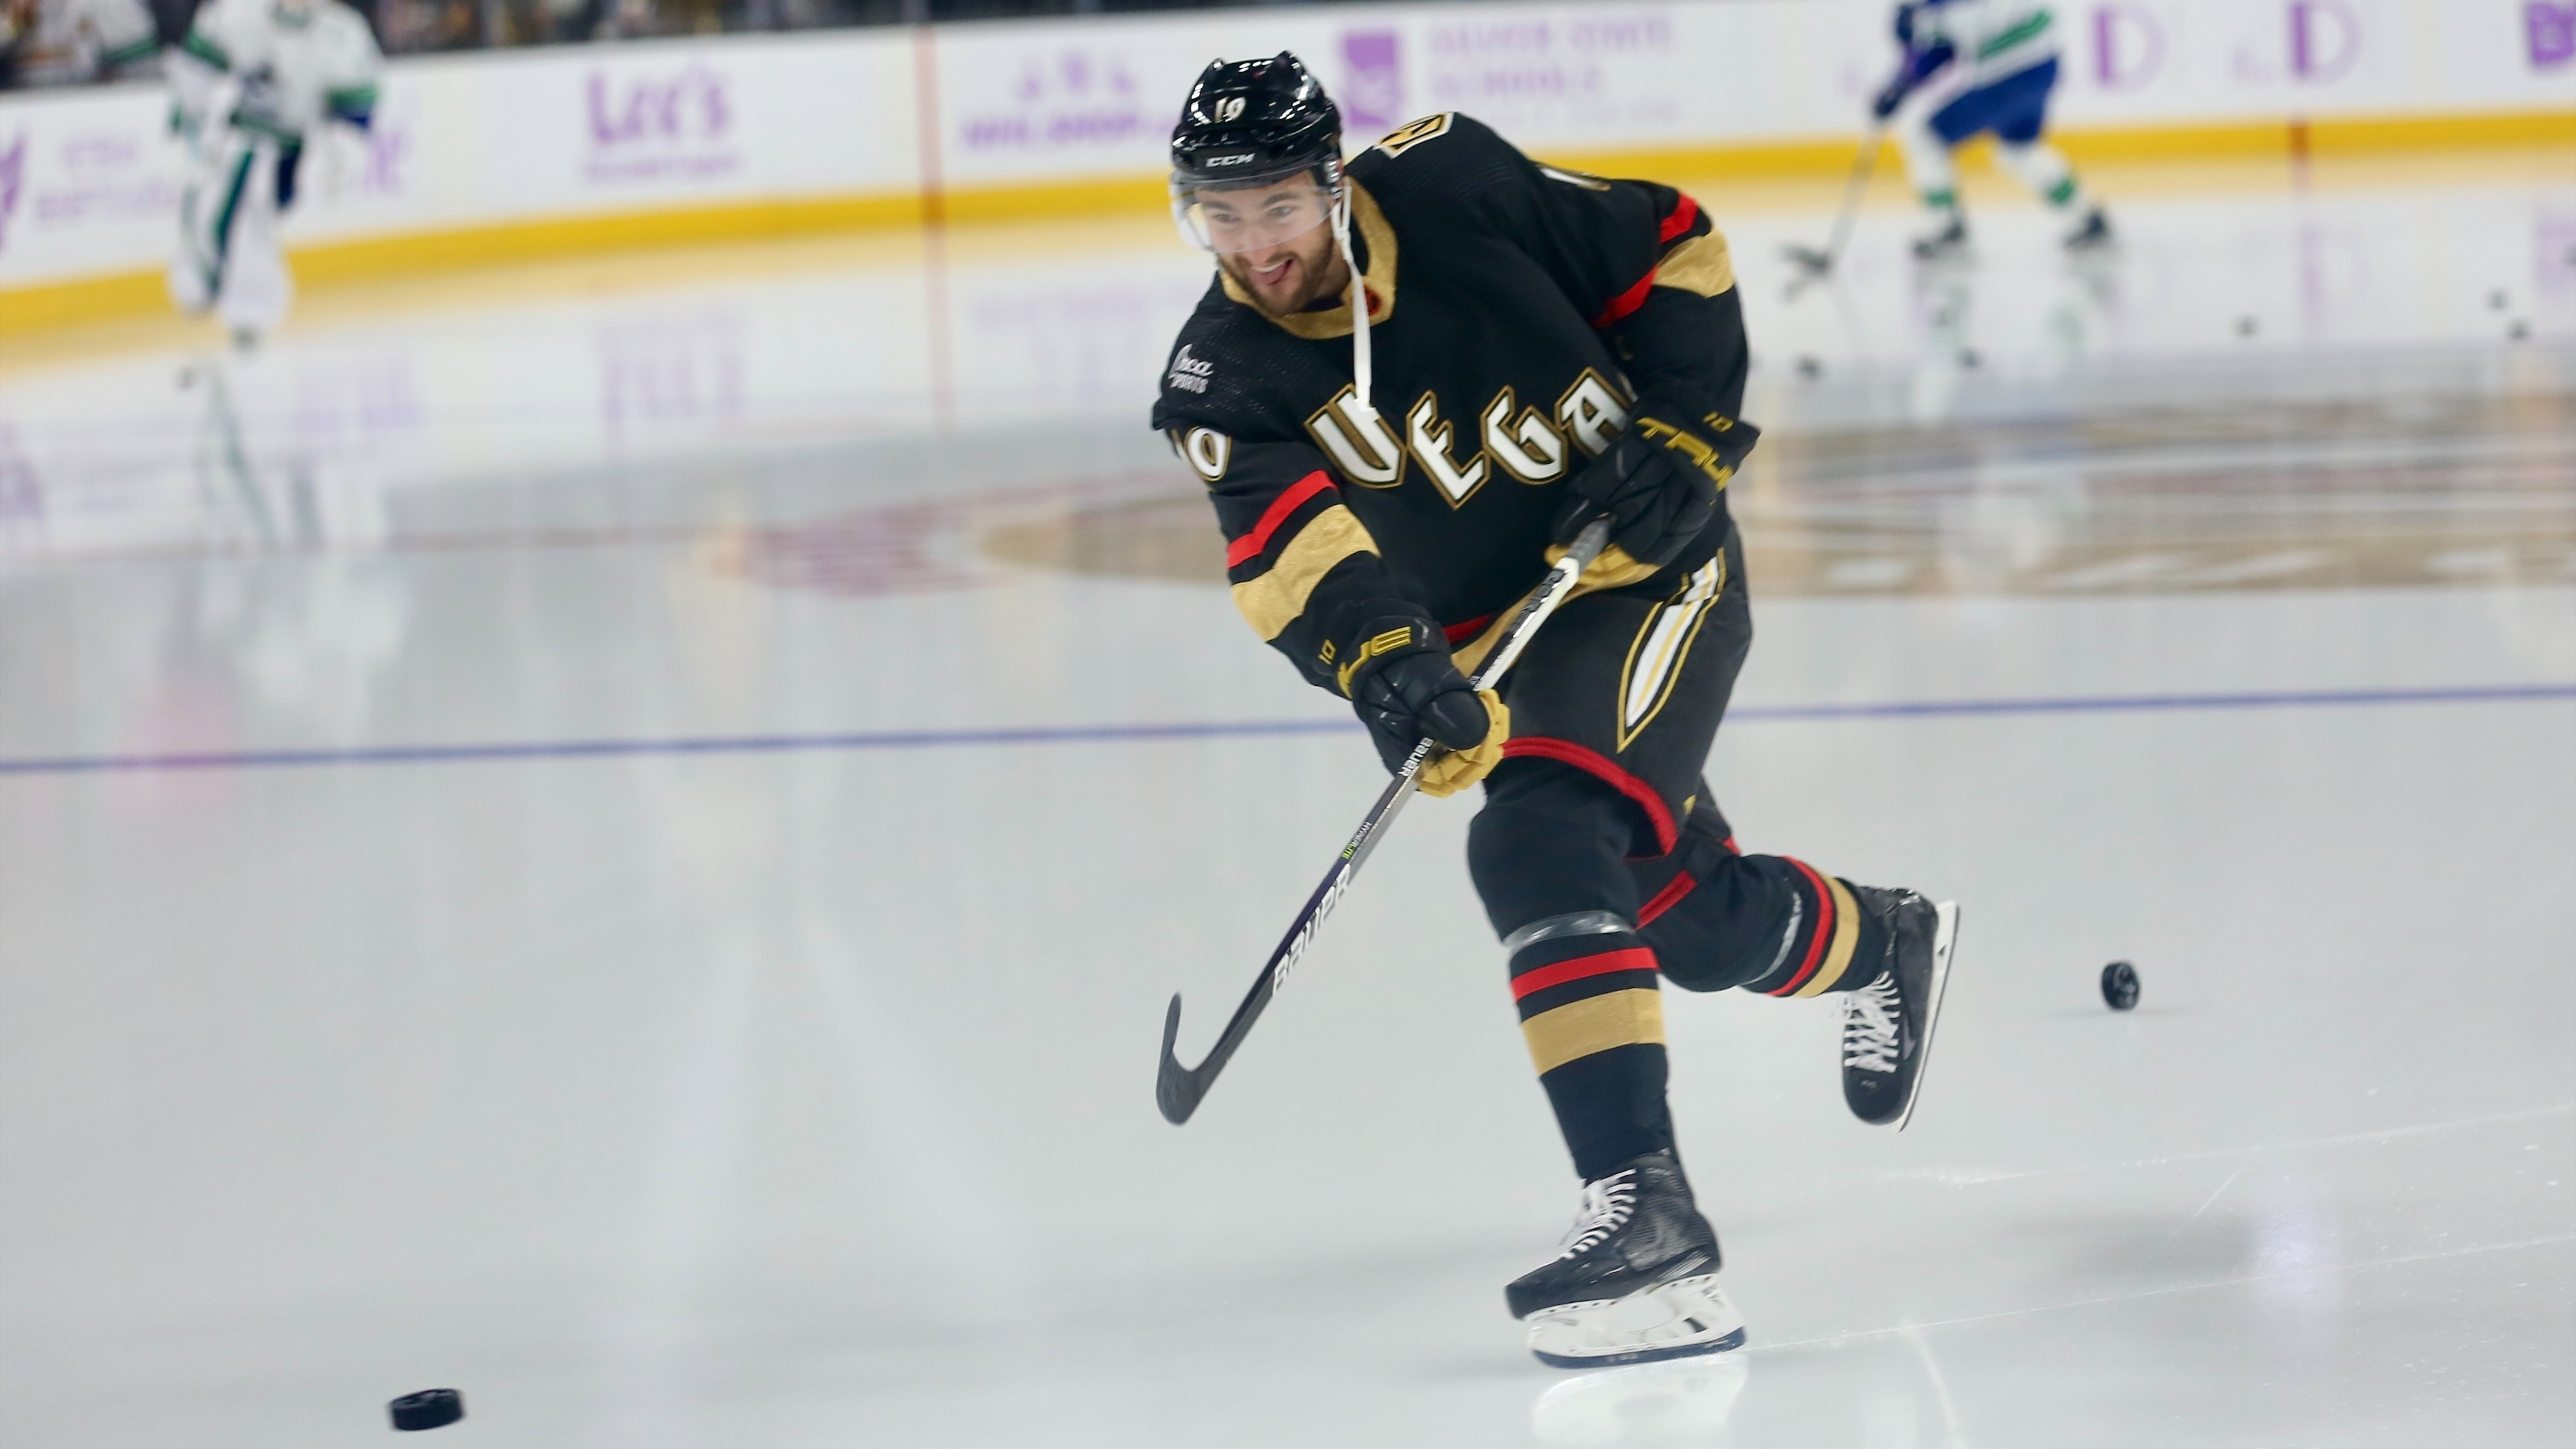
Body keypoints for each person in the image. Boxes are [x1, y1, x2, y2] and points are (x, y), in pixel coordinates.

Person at [1150, 54, 1962, 1369]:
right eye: (1218, 214)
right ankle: (1879, 940)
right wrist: (1396, 675)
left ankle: (1650, 1227)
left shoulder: (1459, 185)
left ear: (1332, 182)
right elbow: (1293, 568)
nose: (1253, 246)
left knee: (1533, 839)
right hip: (1501, 650)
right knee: (1682, 921)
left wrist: (1692, 434)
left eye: (1278, 207)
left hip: (1648, 574)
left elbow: (1672, 247)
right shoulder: (1218, 381)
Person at [164, 0, 379, 345]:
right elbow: (198, 70)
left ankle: (240, 296)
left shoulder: (343, 33)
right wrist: (188, 124)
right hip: (236, 137)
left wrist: (334, 162)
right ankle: (219, 286)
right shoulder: (239, 12)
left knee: (251, 205)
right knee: (221, 199)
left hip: (295, 152)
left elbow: (355, 113)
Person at [1872, 0, 2111, 259]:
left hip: (2004, 75)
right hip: (2042, 66)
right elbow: (1942, 49)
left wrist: (1902, 77)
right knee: (2019, 151)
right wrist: (1901, 81)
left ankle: (1947, 227)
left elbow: (1936, 52)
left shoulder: (1931, 8)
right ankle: (2085, 215)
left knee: (1924, 138)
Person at [0, 0, 159, 89]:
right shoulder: (17, 9)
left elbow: (142, 56)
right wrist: (17, 23)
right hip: (23, 97)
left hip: (88, 96)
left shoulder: (102, 4)